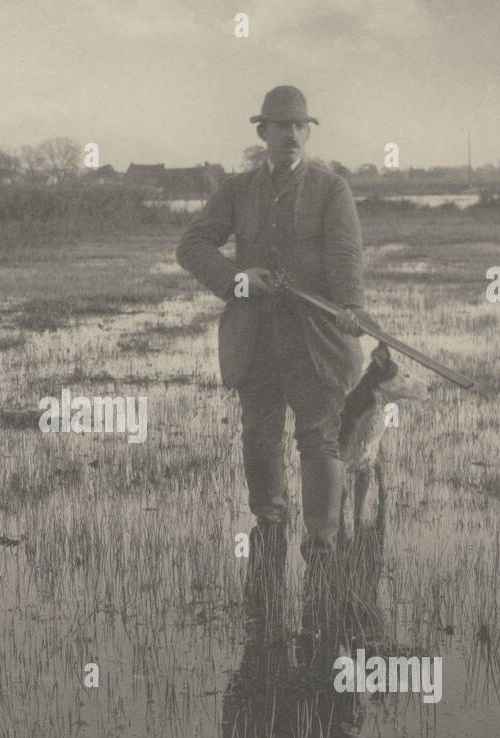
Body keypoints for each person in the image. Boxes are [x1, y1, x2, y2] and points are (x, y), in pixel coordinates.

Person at [176, 85, 377, 579]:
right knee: (259, 435)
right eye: (280, 125)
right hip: (256, 338)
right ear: (262, 132)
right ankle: (269, 522)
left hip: (317, 339)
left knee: (319, 439)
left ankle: (322, 548)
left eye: (298, 125)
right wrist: (237, 281)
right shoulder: (236, 190)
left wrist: (350, 307)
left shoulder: (331, 189)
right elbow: (192, 245)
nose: (290, 134)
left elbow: (345, 255)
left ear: (307, 132)